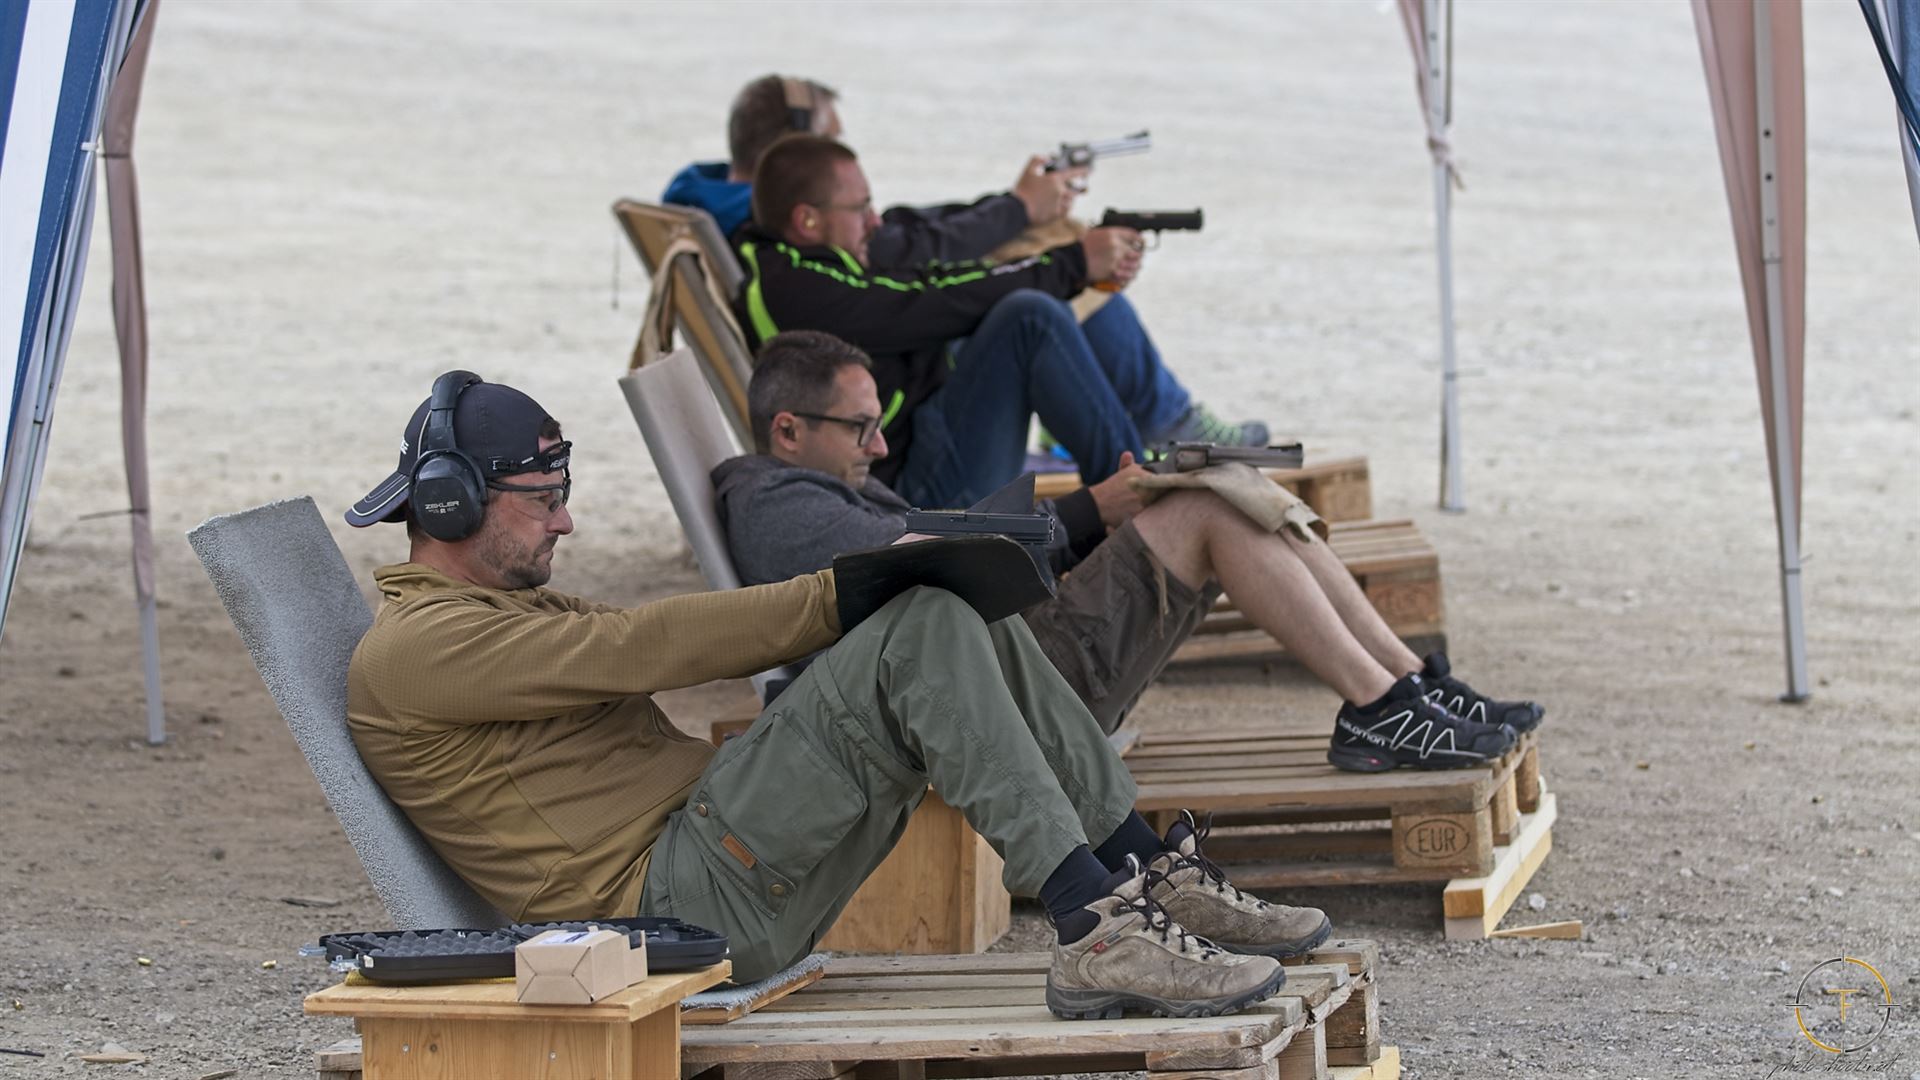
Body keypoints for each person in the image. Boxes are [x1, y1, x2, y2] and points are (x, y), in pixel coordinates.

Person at [340, 370, 1333, 1019]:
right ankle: (1093, 928)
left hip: (711, 863)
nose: (564, 523)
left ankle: (1139, 871)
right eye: (543, 500)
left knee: (954, 599)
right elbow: (641, 644)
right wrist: (849, 588)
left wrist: (902, 572)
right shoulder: (419, 650)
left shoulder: (490, 617)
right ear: (452, 505)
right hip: (678, 907)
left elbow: (626, 639)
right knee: (922, 616)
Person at [713, 332, 1546, 769]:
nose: (881, 444)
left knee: (1221, 479)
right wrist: (1086, 511)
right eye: (861, 428)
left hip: (1004, 661)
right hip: (999, 692)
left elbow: (935, 553)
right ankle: (1380, 707)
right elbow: (915, 557)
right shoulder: (775, 506)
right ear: (788, 430)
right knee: (1205, 508)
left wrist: (1096, 520)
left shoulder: (815, 489)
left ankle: (1407, 684)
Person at [735, 134, 1264, 511]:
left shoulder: (796, 265)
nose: (874, 221)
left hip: (914, 438)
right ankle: (1140, 498)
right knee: (1031, 318)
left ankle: (1155, 436)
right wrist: (1070, 264)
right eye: (860, 209)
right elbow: (927, 302)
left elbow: (927, 274)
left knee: (1044, 302)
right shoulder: (801, 289)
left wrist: (1061, 261)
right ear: (807, 219)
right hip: (910, 497)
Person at [662, 72, 1080, 268]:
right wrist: (1018, 209)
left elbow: (899, 228)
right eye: (831, 143)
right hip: (882, 380)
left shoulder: (709, 201)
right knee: (1054, 283)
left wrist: (1012, 204)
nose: (842, 157)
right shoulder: (777, 226)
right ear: (794, 150)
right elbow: (910, 250)